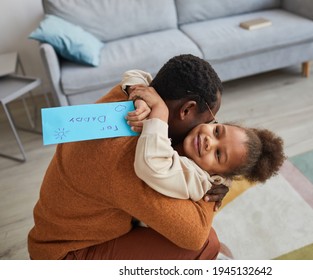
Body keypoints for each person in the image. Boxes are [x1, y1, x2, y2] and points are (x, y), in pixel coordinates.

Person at [28, 54, 228, 260]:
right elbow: (194, 236)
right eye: (209, 121)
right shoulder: (131, 160)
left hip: (56, 228)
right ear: (187, 109)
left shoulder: (130, 95)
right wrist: (212, 180)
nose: (206, 130)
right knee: (207, 245)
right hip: (65, 254)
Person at [126, 85, 285, 205]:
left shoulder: (198, 181)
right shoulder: (191, 125)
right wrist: (141, 98)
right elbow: (134, 75)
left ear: (217, 176)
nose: (209, 141)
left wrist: (159, 110)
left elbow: (152, 164)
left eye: (218, 154)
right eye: (217, 131)